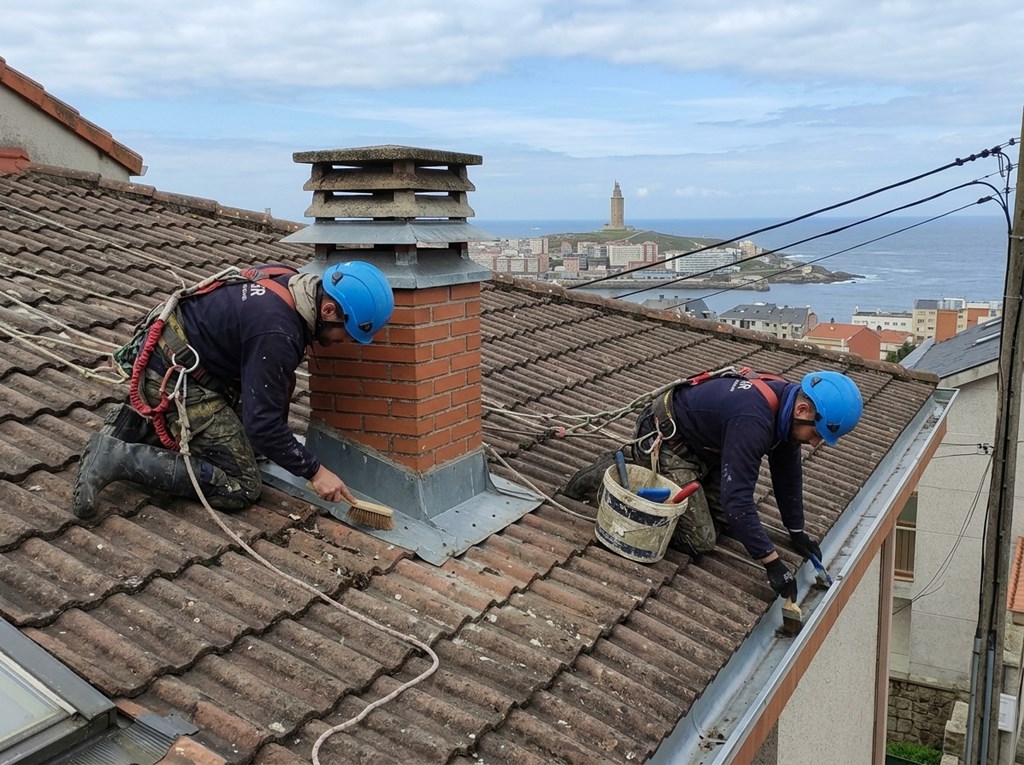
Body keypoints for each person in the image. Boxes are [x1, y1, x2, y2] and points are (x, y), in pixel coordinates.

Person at [72, 261, 394, 519]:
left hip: (180, 352)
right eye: (347, 333)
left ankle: (133, 424)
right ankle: (119, 457)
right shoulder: (277, 332)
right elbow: (262, 426)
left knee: (253, 447)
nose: (345, 342)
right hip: (173, 376)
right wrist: (316, 472)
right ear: (328, 311)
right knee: (241, 484)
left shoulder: (289, 280)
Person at [565, 369, 862, 602]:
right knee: (701, 539)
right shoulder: (753, 418)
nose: (815, 443)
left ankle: (680, 481)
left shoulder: (787, 405)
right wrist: (772, 563)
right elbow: (738, 502)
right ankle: (618, 470)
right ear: (803, 410)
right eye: (817, 434)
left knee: (728, 523)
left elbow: (787, 473)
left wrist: (796, 531)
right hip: (667, 441)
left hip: (704, 449)